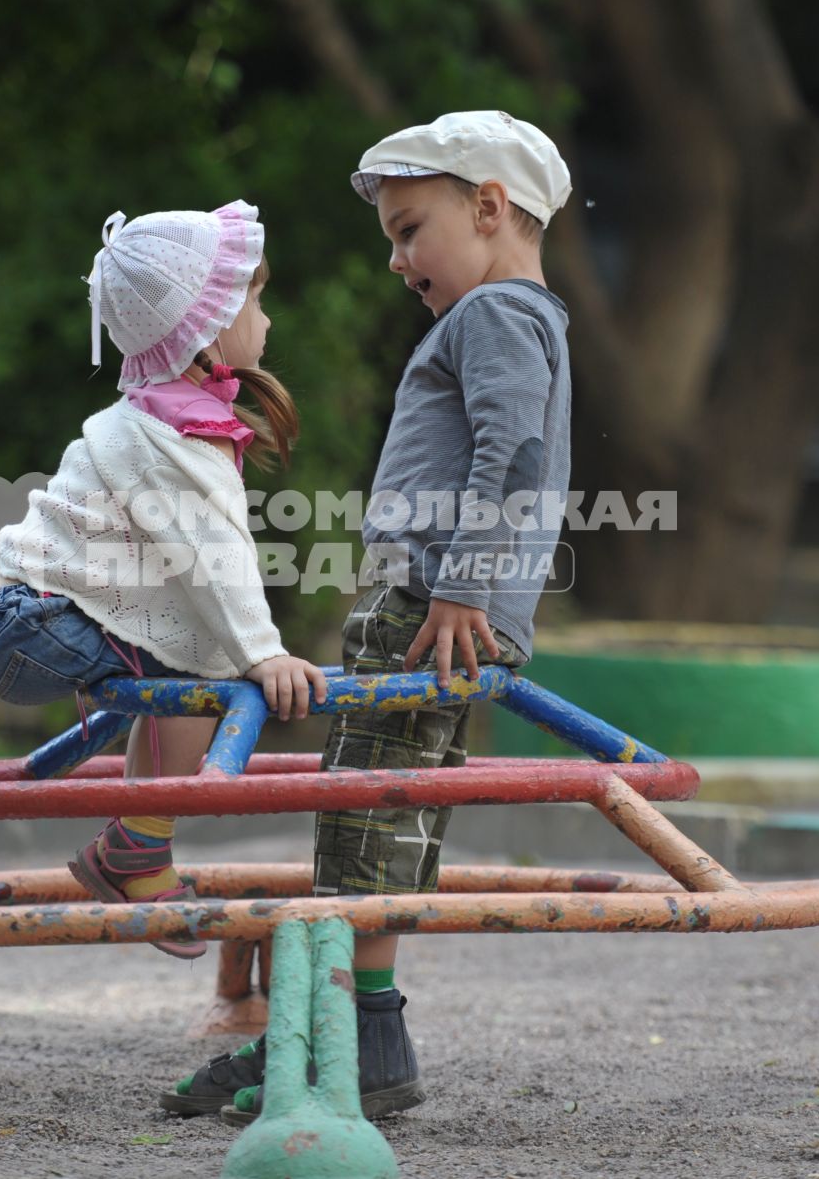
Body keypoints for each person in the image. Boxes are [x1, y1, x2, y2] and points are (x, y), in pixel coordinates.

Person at [164, 112, 572, 1117]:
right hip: (458, 608)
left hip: (429, 609)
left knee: (360, 823)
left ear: (488, 208)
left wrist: (462, 584)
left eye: (407, 229)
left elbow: (512, 455)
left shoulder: (489, 318)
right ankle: (356, 1035)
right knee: (390, 821)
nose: (396, 259)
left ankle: (346, 1044)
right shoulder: (530, 319)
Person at [0, 201, 328, 960]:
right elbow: (217, 560)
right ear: (209, 325)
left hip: (11, 616)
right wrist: (263, 654)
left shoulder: (157, 417)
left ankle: (136, 842)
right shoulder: (172, 437)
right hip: (26, 623)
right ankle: (137, 846)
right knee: (203, 663)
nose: (265, 319)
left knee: (193, 648)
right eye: (255, 298)